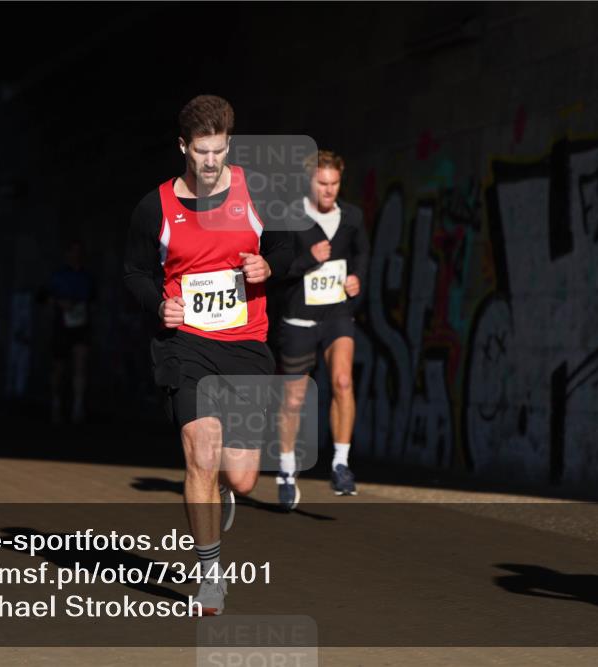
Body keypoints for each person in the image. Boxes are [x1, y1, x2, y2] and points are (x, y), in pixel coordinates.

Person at [124, 95, 291, 615]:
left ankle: (224, 492)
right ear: (183, 147)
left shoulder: (257, 190)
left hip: (246, 343)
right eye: (201, 152)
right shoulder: (154, 206)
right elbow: (134, 272)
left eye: (219, 150)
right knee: (199, 453)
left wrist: (269, 267)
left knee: (238, 474)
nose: (211, 162)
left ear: (229, 146)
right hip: (187, 344)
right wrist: (160, 306)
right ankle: (211, 574)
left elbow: (287, 247)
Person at [274, 150, 370, 507]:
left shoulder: (353, 217)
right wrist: (306, 260)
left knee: (343, 381)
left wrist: (358, 279)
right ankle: (286, 470)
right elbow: (277, 269)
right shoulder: (290, 217)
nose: (329, 191)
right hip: (299, 317)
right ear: (308, 181)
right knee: (294, 398)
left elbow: (362, 254)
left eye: (334, 184)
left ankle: (341, 464)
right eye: (322, 183)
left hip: (337, 314)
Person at [45, 239, 92, 424]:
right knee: (59, 367)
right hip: (62, 326)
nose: (76, 255)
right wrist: (60, 303)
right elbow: (45, 298)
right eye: (72, 251)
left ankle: (77, 406)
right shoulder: (58, 276)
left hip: (81, 326)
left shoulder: (87, 277)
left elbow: (93, 302)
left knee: (80, 364)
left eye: (79, 252)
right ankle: (56, 403)